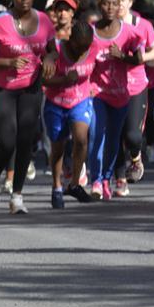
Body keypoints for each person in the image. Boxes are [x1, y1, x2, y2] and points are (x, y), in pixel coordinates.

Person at [0, 0, 56, 214]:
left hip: (31, 87)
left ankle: (17, 195)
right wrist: (8, 63)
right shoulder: (0, 22)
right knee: (8, 141)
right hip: (3, 88)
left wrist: (51, 60)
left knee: (25, 141)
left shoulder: (44, 21)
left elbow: (52, 50)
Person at [88, 0, 145, 200]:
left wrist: (121, 56)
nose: (111, 7)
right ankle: (95, 180)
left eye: (115, 3)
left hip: (121, 94)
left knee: (113, 140)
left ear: (121, 5)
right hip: (97, 94)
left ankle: (106, 179)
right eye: (106, 3)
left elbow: (139, 59)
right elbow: (81, 57)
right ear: (99, 5)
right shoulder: (91, 31)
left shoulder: (130, 31)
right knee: (95, 136)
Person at [42, 20, 97, 208]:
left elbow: (102, 67)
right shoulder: (57, 50)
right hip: (56, 103)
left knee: (81, 140)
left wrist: (95, 86)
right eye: (78, 46)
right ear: (70, 39)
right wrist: (64, 79)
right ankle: (57, 187)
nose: (82, 50)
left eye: (86, 47)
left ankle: (74, 184)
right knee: (58, 147)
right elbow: (44, 81)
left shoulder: (94, 49)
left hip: (80, 101)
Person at [114, 0, 154, 192]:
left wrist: (142, 58)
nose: (118, 5)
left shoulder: (142, 25)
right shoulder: (106, 27)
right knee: (115, 135)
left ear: (130, 2)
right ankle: (119, 180)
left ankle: (135, 158)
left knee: (132, 135)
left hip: (136, 87)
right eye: (114, 1)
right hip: (111, 88)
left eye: (122, 0)